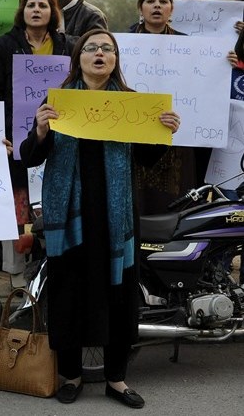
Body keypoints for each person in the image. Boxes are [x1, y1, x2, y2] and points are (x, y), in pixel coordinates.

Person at [20, 29, 180, 409]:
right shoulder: (59, 101)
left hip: (116, 220)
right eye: (91, 48)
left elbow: (145, 161)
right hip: (70, 222)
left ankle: (116, 379)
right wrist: (40, 130)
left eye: (107, 49)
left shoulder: (130, 104)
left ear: (114, 60)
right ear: (78, 58)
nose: (99, 54)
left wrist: (162, 133)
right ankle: (72, 376)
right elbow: (30, 156)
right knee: (70, 295)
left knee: (119, 296)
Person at [0, 0, 70, 273]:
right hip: (16, 139)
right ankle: (16, 270)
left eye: (43, 6)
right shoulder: (4, 45)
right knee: (17, 204)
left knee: (49, 201)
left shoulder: (67, 45)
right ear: (23, 11)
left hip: (59, 139)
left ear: (52, 12)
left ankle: (51, 267)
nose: (36, 10)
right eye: (31, 5)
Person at [129, 0, 210, 216]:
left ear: (171, 10)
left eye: (163, 2)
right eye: (151, 1)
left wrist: (227, 60)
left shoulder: (188, 45)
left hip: (177, 134)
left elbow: (206, 79)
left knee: (177, 197)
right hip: (137, 133)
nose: (157, 6)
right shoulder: (124, 43)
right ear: (141, 8)